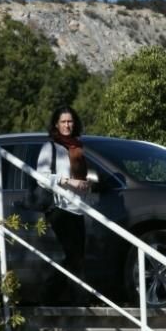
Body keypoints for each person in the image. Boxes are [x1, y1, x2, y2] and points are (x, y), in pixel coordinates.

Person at [36, 106, 99, 305]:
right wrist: (67, 181)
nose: (67, 125)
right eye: (63, 122)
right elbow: (41, 177)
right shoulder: (51, 147)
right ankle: (57, 298)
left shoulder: (78, 147)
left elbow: (80, 176)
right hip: (59, 208)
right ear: (56, 124)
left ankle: (58, 299)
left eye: (70, 121)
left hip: (78, 208)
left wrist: (87, 182)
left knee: (76, 258)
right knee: (72, 256)